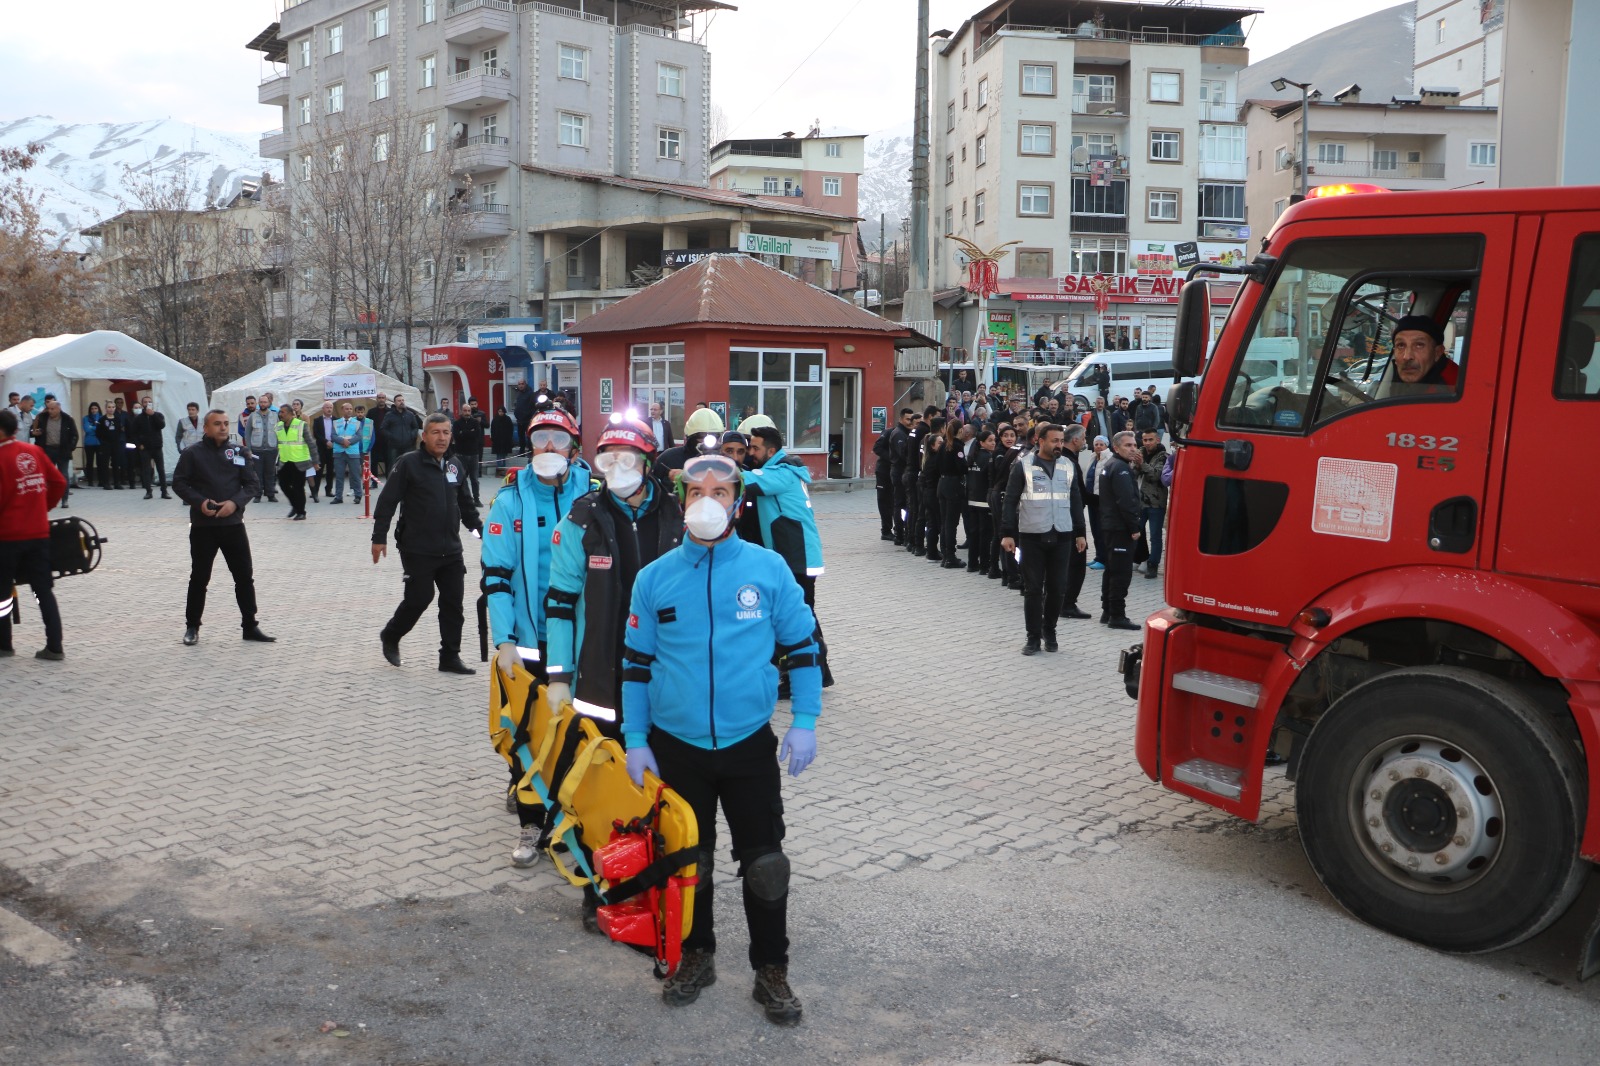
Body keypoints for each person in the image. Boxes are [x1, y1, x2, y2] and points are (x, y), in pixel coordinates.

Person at [621, 450, 821, 1024]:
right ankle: (696, 954)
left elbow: (804, 650)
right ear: (681, 501)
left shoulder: (767, 569)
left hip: (747, 745)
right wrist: (637, 737)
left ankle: (771, 968)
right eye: (696, 492)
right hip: (677, 747)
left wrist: (804, 722)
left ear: (737, 502)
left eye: (721, 492)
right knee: (692, 859)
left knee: (765, 864)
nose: (708, 501)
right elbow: (635, 666)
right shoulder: (654, 578)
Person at [542, 415, 681, 913]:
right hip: (601, 675)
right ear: (596, 465)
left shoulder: (681, 516)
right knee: (606, 774)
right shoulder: (580, 521)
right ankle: (604, 877)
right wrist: (558, 675)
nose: (618, 468)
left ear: (648, 462)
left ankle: (660, 863)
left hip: (667, 673)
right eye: (608, 459)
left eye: (629, 458)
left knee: (663, 771)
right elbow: (559, 603)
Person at [482, 406, 592, 851]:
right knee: (527, 727)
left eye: (559, 439)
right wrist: (504, 640)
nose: (549, 447)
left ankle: (573, 814)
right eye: (541, 437)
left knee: (577, 730)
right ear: (529, 445)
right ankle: (531, 815)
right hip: (530, 638)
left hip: (583, 637)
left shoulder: (596, 493)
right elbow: (497, 576)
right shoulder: (510, 500)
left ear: (575, 447)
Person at [371, 413, 482, 674]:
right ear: (424, 435)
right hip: (417, 548)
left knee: (453, 603)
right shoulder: (408, 463)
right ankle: (391, 635)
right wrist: (379, 538)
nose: (441, 437)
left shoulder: (455, 465)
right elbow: (387, 502)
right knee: (419, 598)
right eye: (436, 432)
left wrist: (481, 533)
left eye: (446, 432)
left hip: (451, 550)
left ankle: (450, 657)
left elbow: (465, 504)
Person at [171, 410, 275, 647]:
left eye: (226, 424)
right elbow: (179, 482)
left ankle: (250, 626)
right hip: (203, 526)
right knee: (199, 578)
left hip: (233, 525)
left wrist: (234, 503)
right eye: (217, 424)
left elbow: (251, 484)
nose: (223, 428)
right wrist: (199, 502)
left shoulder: (239, 451)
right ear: (205, 428)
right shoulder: (192, 453)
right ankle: (192, 627)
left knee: (244, 577)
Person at [743, 425, 832, 688]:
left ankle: (808, 675)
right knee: (803, 616)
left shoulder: (780, 474)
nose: (751, 452)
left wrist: (709, 466)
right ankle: (817, 672)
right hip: (797, 556)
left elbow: (744, 481)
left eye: (755, 448)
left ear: (771, 451)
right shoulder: (781, 470)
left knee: (799, 618)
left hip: (798, 558)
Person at [1000, 423, 1085, 655]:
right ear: (1041, 441)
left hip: (1063, 535)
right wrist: (1008, 533)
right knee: (1033, 589)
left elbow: (1076, 500)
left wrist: (1080, 532)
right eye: (1054, 441)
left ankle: (1050, 630)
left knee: (1058, 589)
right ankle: (1033, 637)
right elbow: (1009, 500)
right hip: (1033, 535)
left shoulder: (1068, 465)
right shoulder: (1024, 465)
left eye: (1061, 441)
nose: (1059, 445)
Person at [0, 408, 68, 659]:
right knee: (43, 591)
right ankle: (54, 645)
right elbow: (59, 482)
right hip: (38, 534)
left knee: (2, 592)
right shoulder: (34, 451)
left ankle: (4, 644)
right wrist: (42, 507)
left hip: (7, 537)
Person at [1098, 431, 1144, 631]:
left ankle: (1108, 611)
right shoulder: (1120, 468)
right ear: (1116, 448)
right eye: (1128, 445)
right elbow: (1126, 501)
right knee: (1121, 573)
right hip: (1120, 528)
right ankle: (1117, 615)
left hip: (1111, 526)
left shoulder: (1113, 465)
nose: (1133, 448)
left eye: (1134, 445)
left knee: (1111, 570)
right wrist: (1134, 527)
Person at [1058, 424, 1094, 617]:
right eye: (1084, 437)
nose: (1085, 441)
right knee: (1076, 563)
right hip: (1070, 521)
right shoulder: (1067, 461)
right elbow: (1075, 494)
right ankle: (1068, 603)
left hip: (1066, 519)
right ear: (1075, 440)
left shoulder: (1066, 458)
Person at [1384, 314, 1459, 394]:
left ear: (1437, 353)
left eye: (1419, 345)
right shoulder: (1399, 381)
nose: (1407, 356)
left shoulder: (1454, 389)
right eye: (1401, 345)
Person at [985, 423, 1020, 585]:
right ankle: (1002, 571)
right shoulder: (1001, 454)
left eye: (1012, 436)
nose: (1009, 438)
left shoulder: (1008, 452)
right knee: (1002, 534)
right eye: (1006, 436)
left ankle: (999, 570)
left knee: (998, 533)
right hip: (998, 494)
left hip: (997, 493)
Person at [29, 398, 77, 509]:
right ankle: (45, 499)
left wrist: (70, 448)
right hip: (47, 450)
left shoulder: (67, 419)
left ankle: (64, 500)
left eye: (52, 409)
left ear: (58, 409)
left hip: (62, 451)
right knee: (46, 476)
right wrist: (34, 433)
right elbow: (32, 431)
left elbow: (74, 435)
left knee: (63, 475)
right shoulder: (42, 418)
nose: (50, 411)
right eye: (49, 409)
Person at [1133, 428, 1168, 580]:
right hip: (1140, 501)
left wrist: (1142, 464)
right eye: (1145, 440)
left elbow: (1156, 476)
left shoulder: (1163, 456)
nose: (1147, 443)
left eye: (1150, 440)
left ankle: (1153, 564)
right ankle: (1141, 558)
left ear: (1157, 440)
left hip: (1156, 501)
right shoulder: (1139, 453)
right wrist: (1136, 464)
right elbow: (1132, 473)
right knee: (1136, 531)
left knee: (1155, 535)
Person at [275, 403, 316, 520]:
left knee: (298, 487)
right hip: (285, 461)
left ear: (290, 414)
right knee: (283, 485)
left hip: (299, 461)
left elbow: (311, 443)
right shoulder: (278, 426)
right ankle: (295, 505)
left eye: (282, 412)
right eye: (280, 412)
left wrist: (316, 461)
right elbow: (277, 444)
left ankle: (301, 512)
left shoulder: (301, 425)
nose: (280, 414)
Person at [964, 427, 995, 573]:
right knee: (985, 535)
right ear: (981, 442)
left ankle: (972, 563)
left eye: (994, 440)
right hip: (984, 502)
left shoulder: (972, 457)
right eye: (990, 441)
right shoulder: (989, 458)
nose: (993, 443)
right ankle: (984, 565)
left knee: (974, 533)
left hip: (972, 500)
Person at [129, 396, 170, 500]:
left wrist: (153, 415)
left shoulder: (158, 415)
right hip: (145, 448)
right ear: (142, 404)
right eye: (145, 402)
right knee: (146, 470)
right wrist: (139, 445)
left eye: (149, 401)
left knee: (161, 469)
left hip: (157, 446)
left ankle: (164, 491)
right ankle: (148, 491)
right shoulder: (138, 418)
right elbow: (133, 433)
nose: (147, 403)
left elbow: (162, 425)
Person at [241, 395, 279, 503]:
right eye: (261, 402)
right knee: (257, 473)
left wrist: (278, 446)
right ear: (258, 403)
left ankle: (271, 494)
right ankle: (258, 495)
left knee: (270, 473)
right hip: (257, 449)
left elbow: (279, 432)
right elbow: (247, 433)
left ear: (268, 403)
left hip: (271, 449)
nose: (263, 404)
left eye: (265, 402)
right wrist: (248, 448)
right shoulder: (253, 416)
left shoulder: (274, 416)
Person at [450, 398, 486, 506]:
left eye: (468, 411)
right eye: (465, 411)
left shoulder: (475, 422)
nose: (467, 413)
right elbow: (457, 436)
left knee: (474, 479)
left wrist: (464, 433)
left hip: (473, 454)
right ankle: (459, 498)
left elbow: (476, 435)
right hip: (460, 454)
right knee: (460, 478)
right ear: (462, 411)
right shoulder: (457, 423)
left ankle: (476, 499)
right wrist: (468, 432)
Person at [1083, 434, 1111, 569]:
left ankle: (1104, 559)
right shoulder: (1093, 458)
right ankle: (1098, 556)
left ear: (1106, 446)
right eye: (1096, 444)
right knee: (1094, 529)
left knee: (1101, 529)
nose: (1098, 447)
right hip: (1092, 499)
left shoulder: (1109, 459)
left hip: (1102, 499)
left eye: (1101, 444)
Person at [329, 402, 366, 505]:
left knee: (355, 474)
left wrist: (348, 442)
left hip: (352, 451)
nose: (349, 410)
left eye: (350, 409)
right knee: (339, 475)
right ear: (342, 410)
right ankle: (338, 496)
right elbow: (333, 436)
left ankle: (358, 495)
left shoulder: (356, 423)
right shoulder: (336, 422)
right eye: (347, 409)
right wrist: (342, 441)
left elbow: (359, 436)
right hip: (339, 452)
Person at [887, 408, 914, 545]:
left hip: (901, 471)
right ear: (901, 419)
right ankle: (899, 533)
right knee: (899, 503)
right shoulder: (899, 434)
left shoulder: (905, 433)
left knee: (903, 503)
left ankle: (902, 531)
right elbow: (903, 455)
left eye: (911, 419)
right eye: (907, 419)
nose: (910, 422)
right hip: (899, 472)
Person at [871, 415, 896, 541]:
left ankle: (897, 528)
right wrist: (892, 459)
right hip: (884, 472)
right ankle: (886, 530)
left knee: (894, 501)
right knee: (884, 501)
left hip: (895, 472)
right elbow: (877, 448)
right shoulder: (889, 432)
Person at [380, 394, 422, 466]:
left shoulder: (410, 414)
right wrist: (392, 436)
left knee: (409, 465)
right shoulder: (389, 415)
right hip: (394, 446)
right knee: (394, 466)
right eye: (399, 401)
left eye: (402, 400)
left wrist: (411, 435)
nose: (401, 402)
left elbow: (415, 427)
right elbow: (383, 428)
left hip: (408, 446)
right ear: (395, 403)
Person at [309, 400, 337, 502]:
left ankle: (328, 490)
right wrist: (326, 442)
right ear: (323, 409)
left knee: (330, 470)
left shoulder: (336, 420)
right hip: (321, 448)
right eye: (327, 407)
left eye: (331, 407)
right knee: (318, 470)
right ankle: (315, 491)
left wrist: (332, 442)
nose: (329, 409)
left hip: (333, 448)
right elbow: (316, 434)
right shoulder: (317, 420)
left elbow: (338, 433)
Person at [104, 397, 133, 489]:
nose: (120, 404)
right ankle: (112, 480)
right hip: (112, 441)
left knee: (124, 460)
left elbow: (129, 425)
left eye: (121, 402)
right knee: (114, 461)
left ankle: (123, 478)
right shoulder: (111, 415)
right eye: (118, 403)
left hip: (124, 439)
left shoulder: (125, 414)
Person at [81, 402, 103, 488]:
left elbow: (101, 430)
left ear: (98, 409)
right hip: (89, 443)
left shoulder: (102, 418)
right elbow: (87, 429)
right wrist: (96, 427)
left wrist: (92, 427)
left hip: (99, 442)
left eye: (95, 408)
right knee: (89, 462)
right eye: (92, 409)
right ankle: (90, 480)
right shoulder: (86, 418)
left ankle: (101, 480)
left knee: (100, 462)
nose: (94, 410)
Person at [490, 405, 515, 472]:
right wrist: (493, 438)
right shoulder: (495, 419)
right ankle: (499, 470)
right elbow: (492, 430)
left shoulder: (507, 419)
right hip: (497, 441)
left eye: (501, 411)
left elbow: (510, 429)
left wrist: (509, 438)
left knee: (504, 456)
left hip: (505, 441)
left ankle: (503, 470)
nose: (500, 413)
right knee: (499, 456)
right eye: (499, 411)